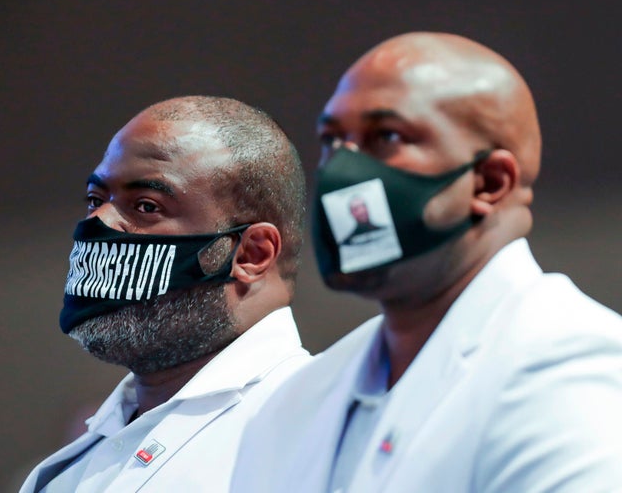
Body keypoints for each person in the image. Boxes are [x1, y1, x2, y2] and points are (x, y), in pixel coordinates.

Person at [231, 32, 622, 492]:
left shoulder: (570, 364)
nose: (343, 171)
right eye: (333, 141)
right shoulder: (294, 401)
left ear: (490, 182)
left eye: (387, 137)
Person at [19, 95, 310, 492]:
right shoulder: (75, 467)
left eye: (145, 205)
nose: (97, 223)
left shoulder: (315, 426)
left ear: (251, 253)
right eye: (95, 200)